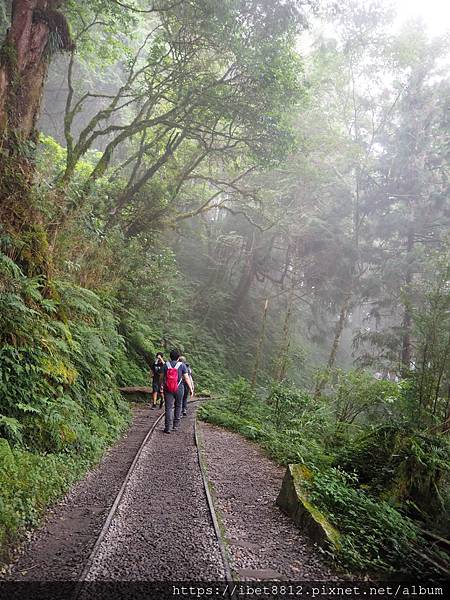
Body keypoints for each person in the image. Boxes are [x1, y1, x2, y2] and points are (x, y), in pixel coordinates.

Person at [162, 349, 194, 433]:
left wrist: (161, 386)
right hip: (179, 388)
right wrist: (191, 389)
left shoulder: (166, 365)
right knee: (178, 406)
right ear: (178, 357)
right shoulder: (182, 365)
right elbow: (187, 378)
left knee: (168, 408)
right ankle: (175, 425)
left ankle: (167, 427)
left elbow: (161, 377)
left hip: (168, 388)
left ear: (170, 356)